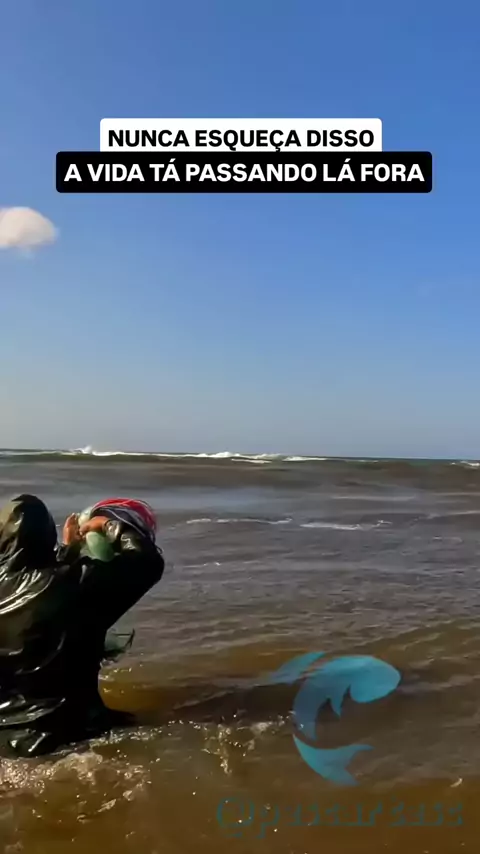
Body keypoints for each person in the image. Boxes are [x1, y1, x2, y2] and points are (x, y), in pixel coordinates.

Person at [0, 494, 164, 757]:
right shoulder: (75, 585)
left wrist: (69, 551)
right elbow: (147, 562)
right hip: (69, 736)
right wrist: (109, 525)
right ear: (47, 536)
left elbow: (41, 590)